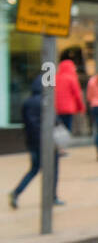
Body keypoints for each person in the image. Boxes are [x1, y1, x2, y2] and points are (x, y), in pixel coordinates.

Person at [10, 78, 64, 208]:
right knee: (53, 170)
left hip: (32, 141)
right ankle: (52, 197)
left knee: (34, 169)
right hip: (47, 142)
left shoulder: (27, 102)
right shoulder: (46, 102)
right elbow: (55, 121)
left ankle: (17, 192)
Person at [54, 57, 84, 134]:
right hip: (68, 108)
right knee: (67, 129)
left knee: (58, 128)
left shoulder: (55, 78)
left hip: (56, 108)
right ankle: (64, 144)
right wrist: (80, 108)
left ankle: (58, 144)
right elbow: (77, 95)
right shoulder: (72, 78)